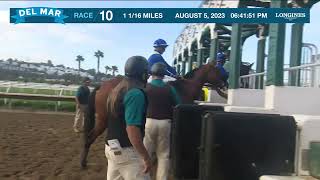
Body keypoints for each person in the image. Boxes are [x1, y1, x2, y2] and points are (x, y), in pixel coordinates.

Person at [105, 56, 152, 180]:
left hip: (111, 147)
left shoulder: (117, 89)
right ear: (142, 74)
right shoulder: (136, 93)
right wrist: (146, 156)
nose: (148, 76)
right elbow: (132, 129)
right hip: (128, 152)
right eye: (146, 73)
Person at [144, 62, 181, 180]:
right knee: (163, 155)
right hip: (165, 123)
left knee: (146, 153)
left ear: (152, 74)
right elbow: (178, 103)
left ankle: (144, 177)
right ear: (163, 75)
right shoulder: (169, 88)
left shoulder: (146, 88)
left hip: (149, 122)